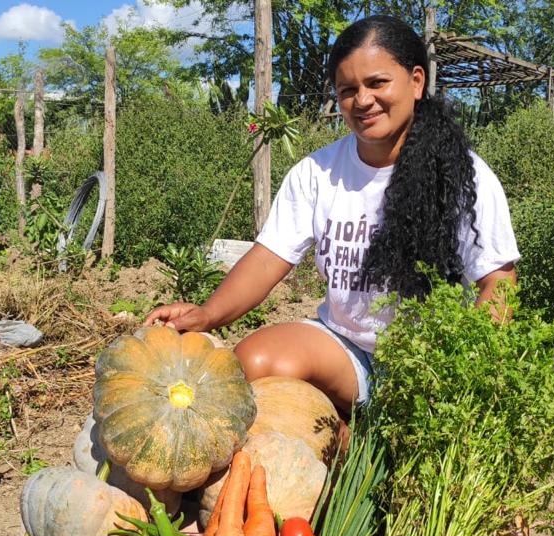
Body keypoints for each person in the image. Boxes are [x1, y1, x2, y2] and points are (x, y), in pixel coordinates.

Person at [145, 15, 520, 416]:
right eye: (347, 90)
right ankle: (344, 436)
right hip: (346, 348)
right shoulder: (317, 173)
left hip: (430, 362)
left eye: (377, 83)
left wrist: (462, 371)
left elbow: (499, 282)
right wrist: (207, 313)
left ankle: (365, 432)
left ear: (416, 81)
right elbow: (269, 257)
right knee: (254, 362)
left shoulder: (464, 175)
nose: (362, 101)